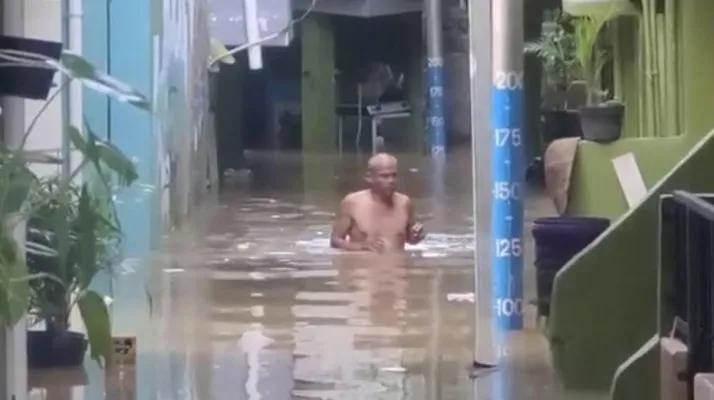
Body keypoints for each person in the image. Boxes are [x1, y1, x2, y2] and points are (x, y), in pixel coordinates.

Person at [330, 153, 426, 252]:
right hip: (364, 265)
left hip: (398, 265)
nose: (391, 180)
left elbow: (410, 239)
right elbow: (335, 241)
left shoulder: (405, 203)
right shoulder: (352, 203)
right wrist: (363, 246)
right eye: (384, 176)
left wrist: (416, 236)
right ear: (369, 177)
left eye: (394, 175)